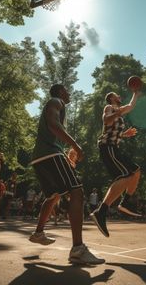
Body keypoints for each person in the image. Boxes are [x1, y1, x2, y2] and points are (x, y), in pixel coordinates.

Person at [29, 83, 104, 265]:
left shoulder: (56, 104)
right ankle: (78, 249)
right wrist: (75, 145)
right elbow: (53, 125)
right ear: (61, 92)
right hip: (50, 153)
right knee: (77, 192)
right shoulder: (56, 101)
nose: (69, 93)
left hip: (40, 157)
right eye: (67, 90)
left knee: (53, 196)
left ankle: (38, 233)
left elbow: (52, 128)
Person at [90, 90, 141, 237]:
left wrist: (136, 94)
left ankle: (125, 202)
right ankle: (101, 212)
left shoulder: (118, 110)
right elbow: (106, 121)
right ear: (111, 98)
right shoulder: (109, 108)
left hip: (113, 148)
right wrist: (118, 113)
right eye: (117, 95)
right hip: (107, 147)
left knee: (136, 171)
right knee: (125, 175)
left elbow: (130, 106)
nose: (119, 96)